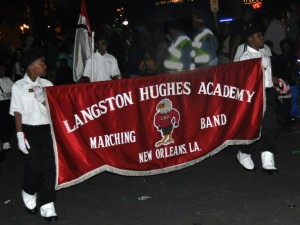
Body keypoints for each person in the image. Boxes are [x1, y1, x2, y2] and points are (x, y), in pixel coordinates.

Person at [9, 48, 58, 222]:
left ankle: (47, 205)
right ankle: (28, 191)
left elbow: (55, 110)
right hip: (29, 130)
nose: (45, 65)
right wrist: (20, 135)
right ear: (31, 66)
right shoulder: (18, 86)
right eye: (41, 62)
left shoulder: (47, 84)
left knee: (50, 168)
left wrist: (44, 99)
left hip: (46, 130)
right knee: (35, 167)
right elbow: (17, 112)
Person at [234, 21, 288, 174]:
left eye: (262, 35)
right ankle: (244, 153)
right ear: (250, 39)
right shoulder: (245, 58)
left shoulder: (265, 51)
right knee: (254, 128)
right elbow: (243, 79)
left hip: (268, 92)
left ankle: (268, 159)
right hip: (254, 95)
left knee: (271, 126)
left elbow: (267, 74)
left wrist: (278, 81)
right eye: (258, 36)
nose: (262, 38)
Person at [0, 63, 14, 151]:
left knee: (10, 123)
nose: (3, 71)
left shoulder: (8, 79)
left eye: (4, 69)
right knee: (2, 122)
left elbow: (16, 91)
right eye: (1, 69)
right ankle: (5, 142)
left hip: (8, 102)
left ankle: (5, 137)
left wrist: (8, 94)